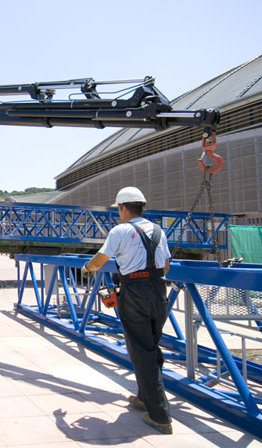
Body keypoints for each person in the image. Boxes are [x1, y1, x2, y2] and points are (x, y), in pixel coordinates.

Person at [81, 186, 173, 434]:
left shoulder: (120, 230)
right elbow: (165, 266)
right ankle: (145, 397)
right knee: (150, 346)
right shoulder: (158, 230)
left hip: (134, 293)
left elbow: (100, 260)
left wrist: (87, 268)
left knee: (141, 351)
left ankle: (160, 416)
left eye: (118, 209)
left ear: (122, 208)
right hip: (158, 292)